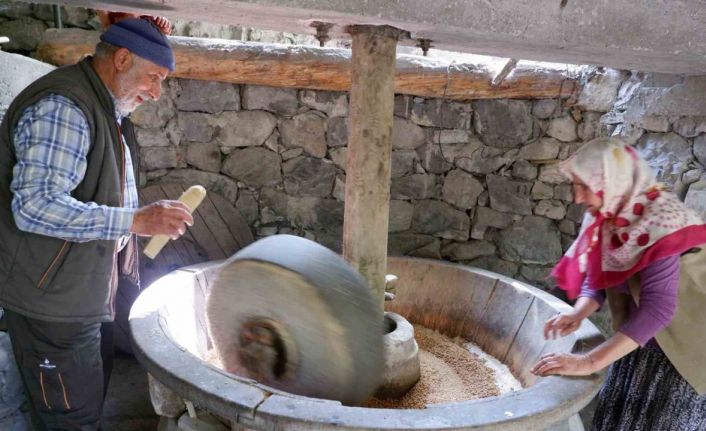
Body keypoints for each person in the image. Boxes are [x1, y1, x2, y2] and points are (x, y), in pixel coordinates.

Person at [0, 18, 193, 430]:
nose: (157, 93)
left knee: (85, 404)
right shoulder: (64, 108)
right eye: (154, 78)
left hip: (80, 296)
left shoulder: (104, 104)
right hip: (53, 305)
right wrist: (136, 220)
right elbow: (35, 206)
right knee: (70, 418)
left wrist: (140, 219)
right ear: (122, 59)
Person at [530, 137, 706, 430]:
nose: (577, 197)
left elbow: (658, 310)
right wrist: (579, 312)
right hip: (642, 339)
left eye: (583, 186)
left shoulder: (661, 221)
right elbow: (599, 275)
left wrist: (587, 362)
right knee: (620, 417)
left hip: (685, 345)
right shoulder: (610, 214)